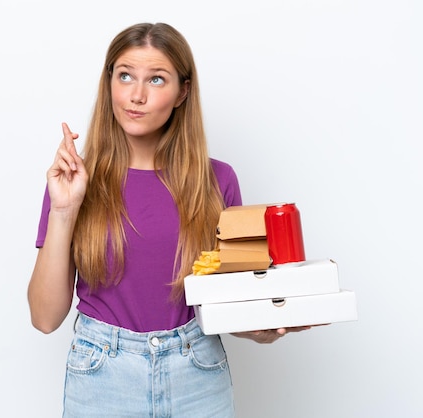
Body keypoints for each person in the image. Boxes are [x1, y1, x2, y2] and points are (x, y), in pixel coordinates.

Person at [28, 22, 310, 417]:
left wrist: (260, 328)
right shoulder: (75, 181)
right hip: (102, 374)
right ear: (108, 82)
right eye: (125, 76)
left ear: (183, 92)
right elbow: (44, 318)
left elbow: (225, 302)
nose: (136, 95)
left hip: (197, 372)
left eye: (156, 79)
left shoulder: (218, 181)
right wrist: (63, 210)